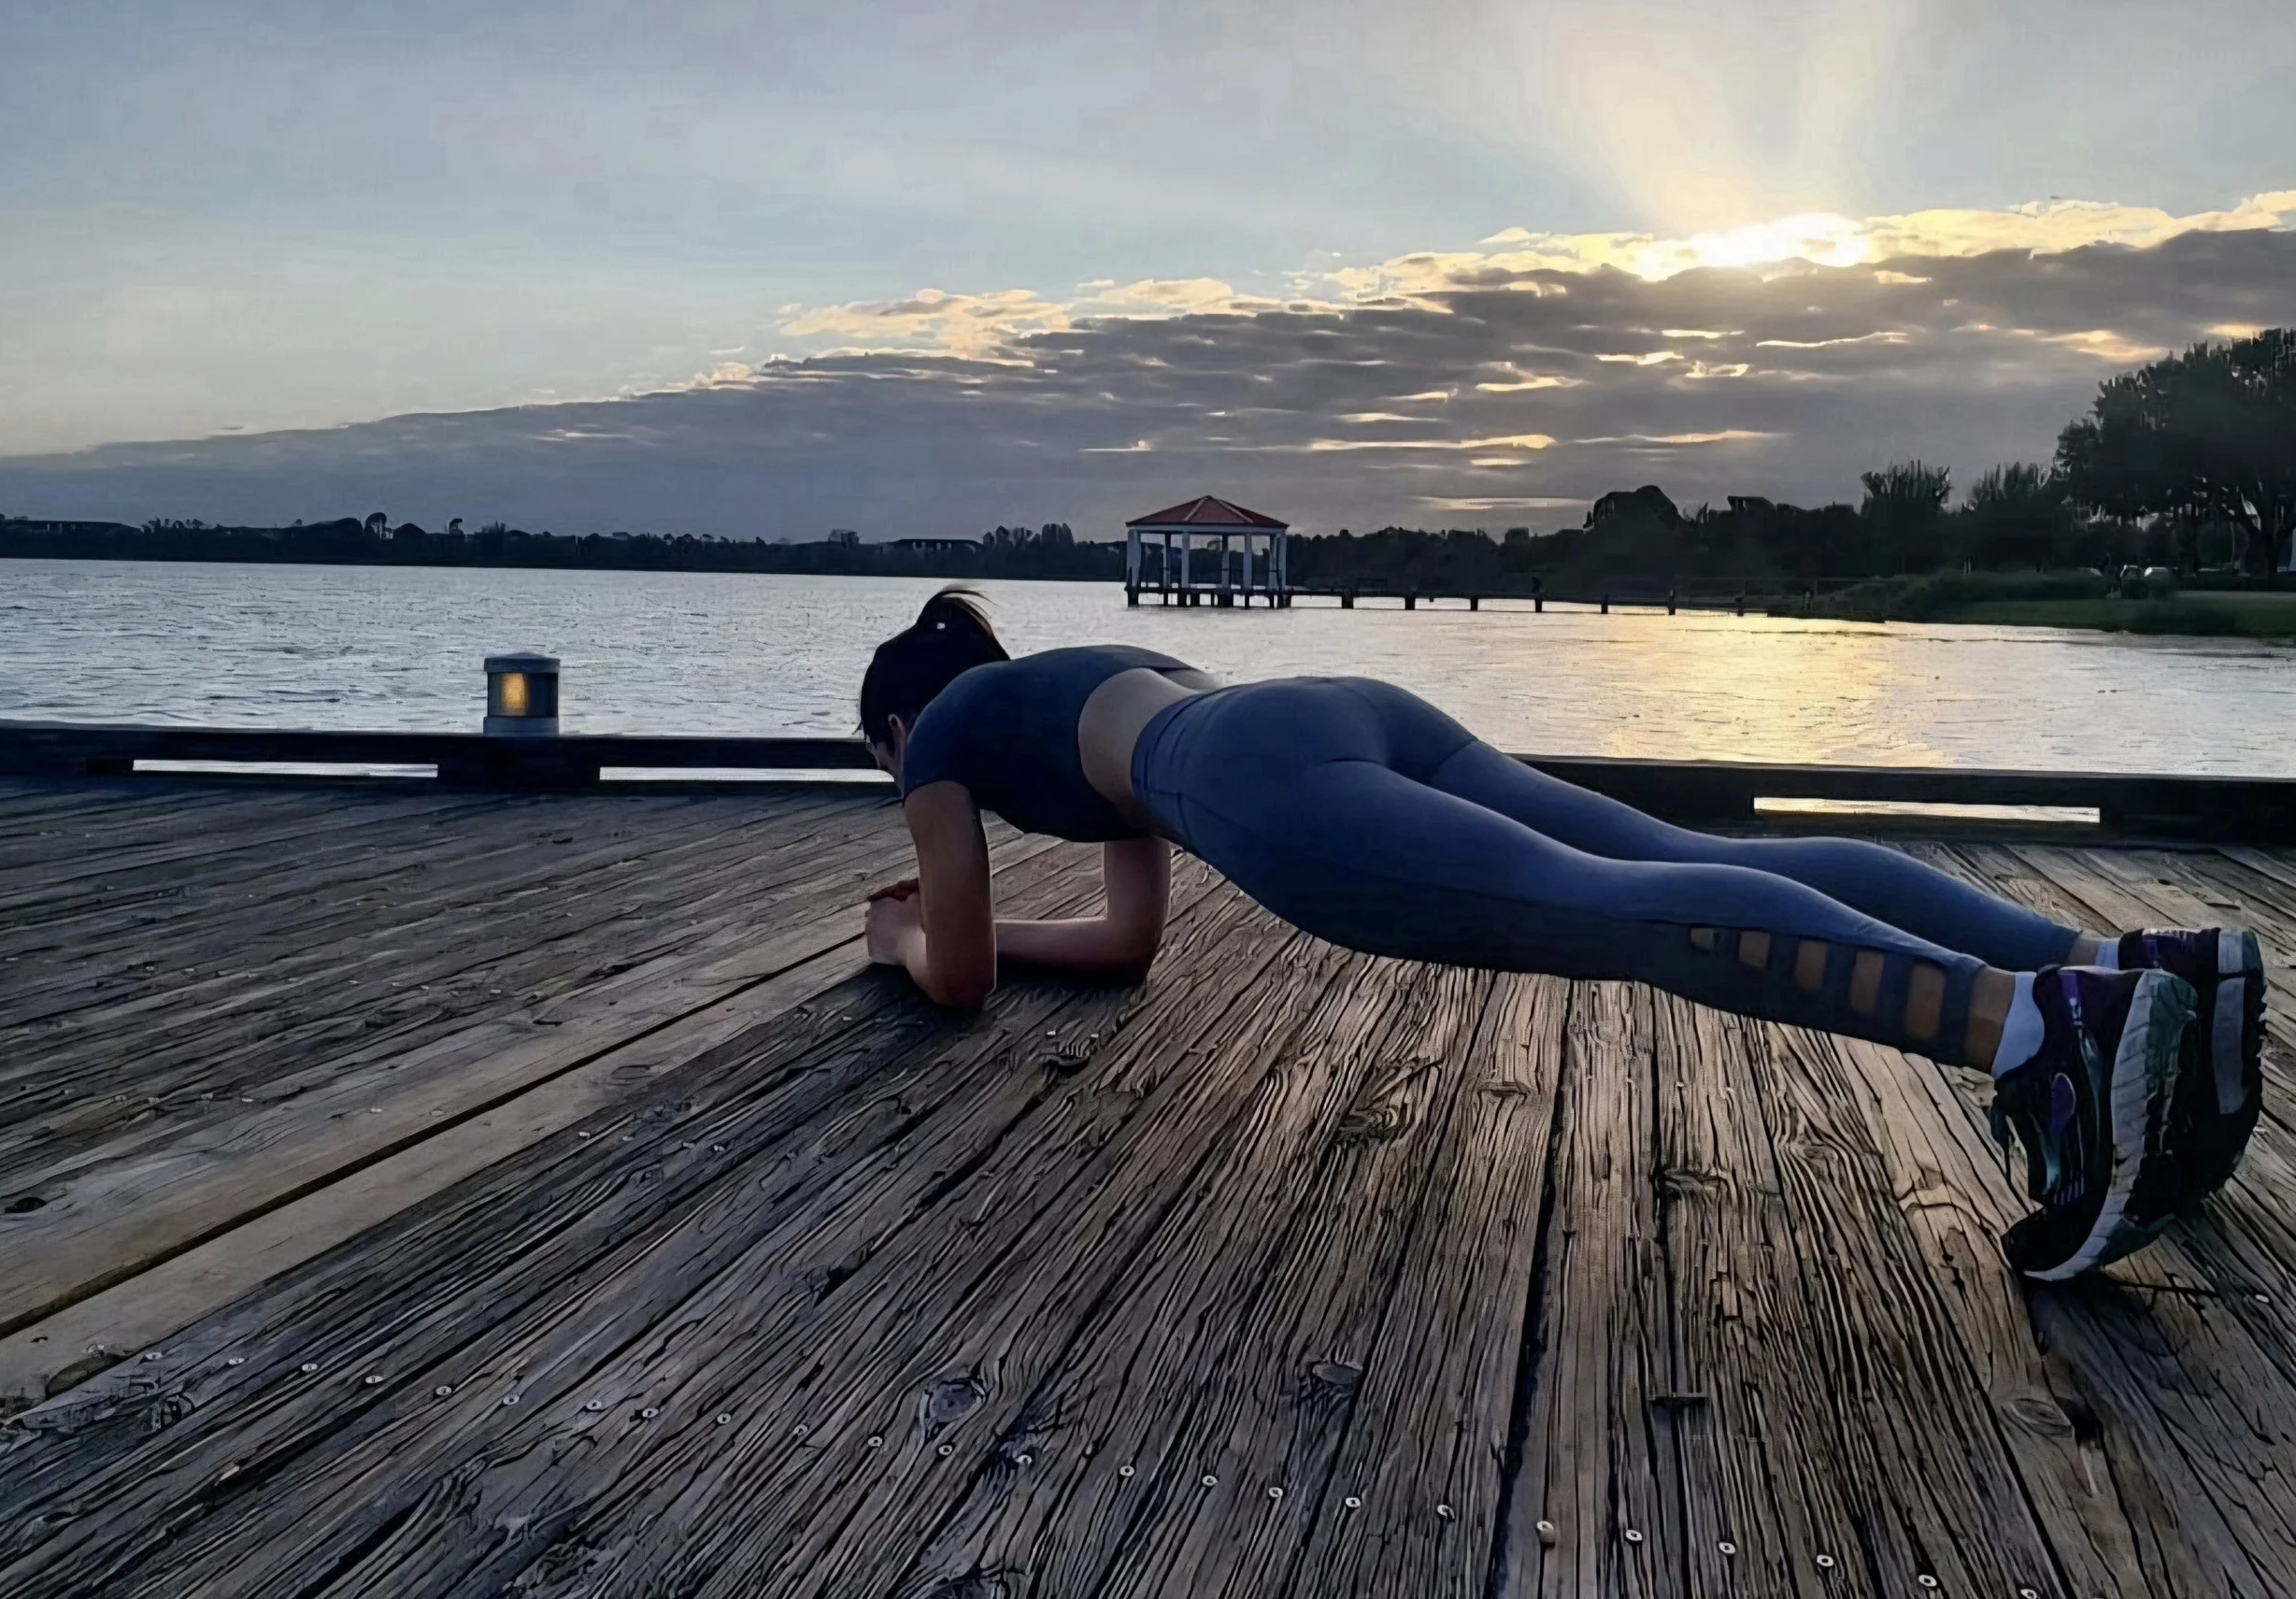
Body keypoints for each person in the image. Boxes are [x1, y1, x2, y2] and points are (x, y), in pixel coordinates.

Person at [859, 589, 2265, 1282]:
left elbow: (961, 974)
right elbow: (1124, 942)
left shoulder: (947, 738)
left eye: (888, 769)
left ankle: (2043, 1040)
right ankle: (2137, 978)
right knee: (1689, 857)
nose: (907, 797)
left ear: (898, 727)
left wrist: (900, 944)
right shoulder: (1064, 688)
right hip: (1344, 708)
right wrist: (1001, 935)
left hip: (1264, 786)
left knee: (1614, 913)